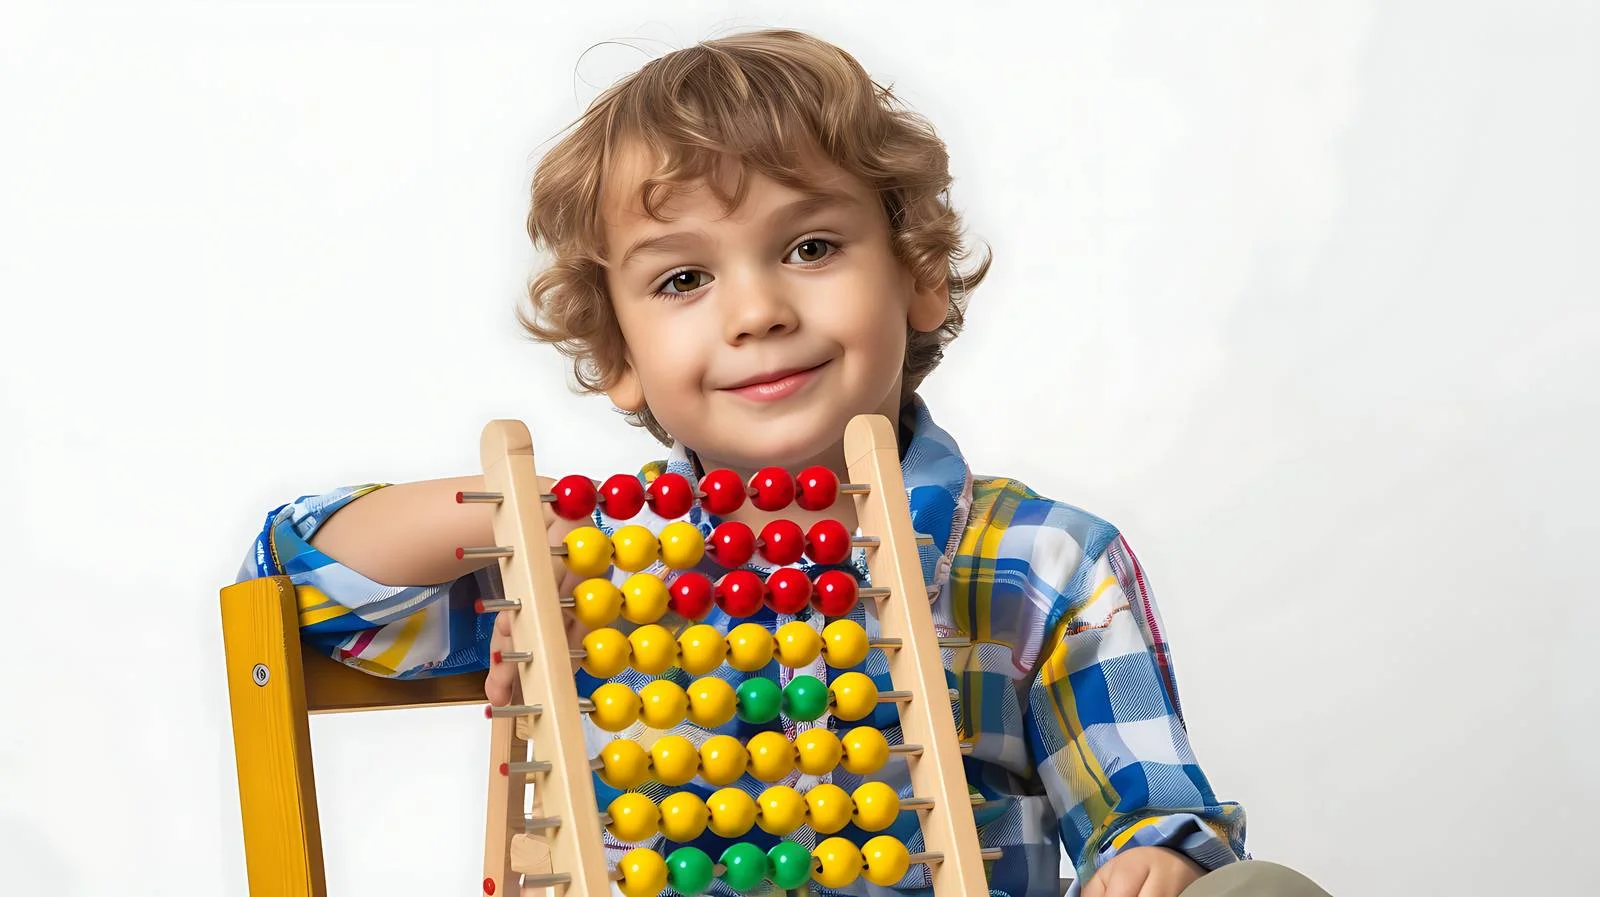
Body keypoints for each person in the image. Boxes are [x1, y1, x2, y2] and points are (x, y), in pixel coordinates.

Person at [237, 27, 1332, 897]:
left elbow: (1145, 805)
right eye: (682, 281)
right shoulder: (596, 572)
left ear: (918, 279)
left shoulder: (1040, 563)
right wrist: (510, 522)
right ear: (619, 356)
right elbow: (305, 589)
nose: (757, 311)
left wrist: (1158, 858)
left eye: (810, 248)